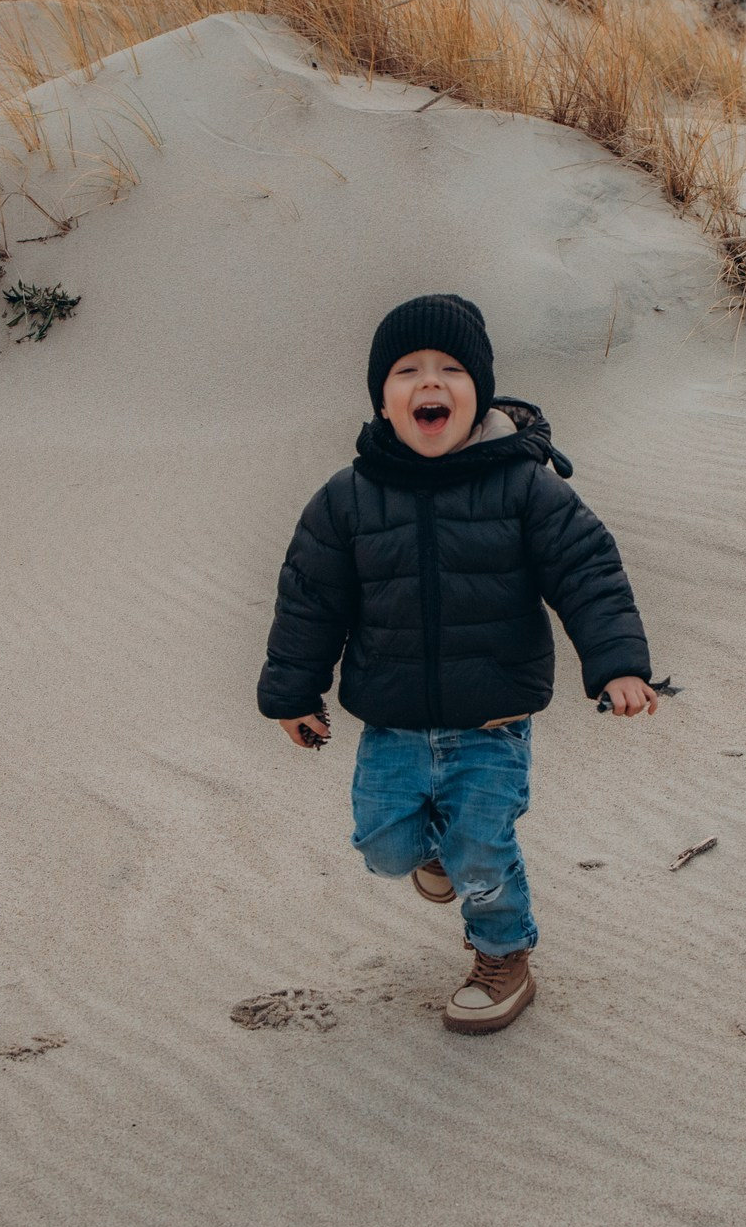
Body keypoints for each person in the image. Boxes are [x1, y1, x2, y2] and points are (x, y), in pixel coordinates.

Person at [258, 293, 658, 1034]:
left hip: (492, 722)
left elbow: (587, 570)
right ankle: (432, 855)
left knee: (481, 851)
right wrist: (293, 691)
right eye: (407, 370)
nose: (430, 382)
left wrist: (618, 664)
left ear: (480, 391)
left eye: (450, 368)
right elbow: (310, 598)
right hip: (392, 722)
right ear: (383, 399)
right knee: (384, 848)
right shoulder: (347, 498)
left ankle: (503, 956)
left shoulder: (525, 486)